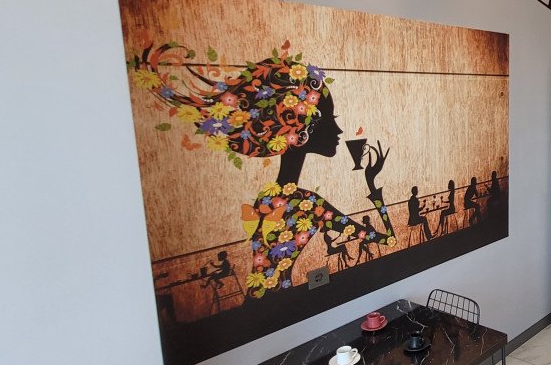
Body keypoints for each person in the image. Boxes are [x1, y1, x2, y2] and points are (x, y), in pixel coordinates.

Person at [128, 43, 396, 298]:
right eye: (330, 119)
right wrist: (373, 186)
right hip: (283, 308)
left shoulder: (268, 197)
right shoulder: (304, 204)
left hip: (264, 305)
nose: (338, 130)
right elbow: (388, 241)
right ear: (302, 130)